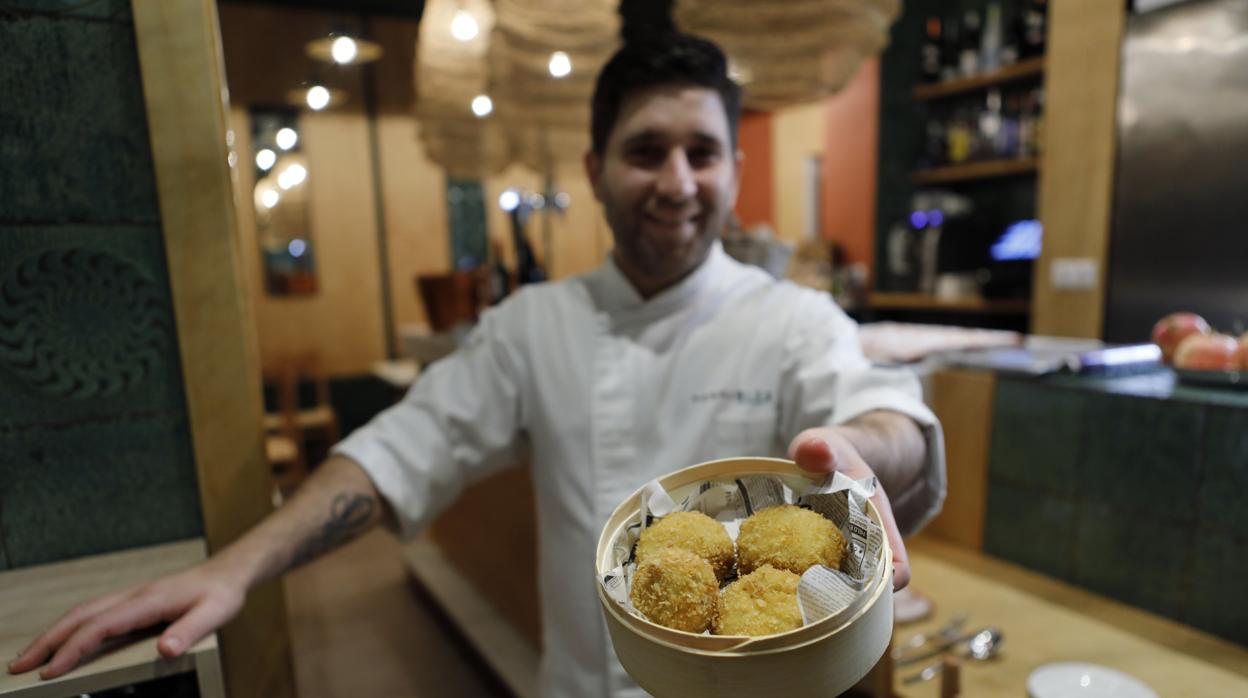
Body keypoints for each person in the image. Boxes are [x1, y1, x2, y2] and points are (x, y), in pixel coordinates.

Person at [10, 33, 945, 697]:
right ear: (593, 167)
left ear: (734, 170)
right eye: (645, 151)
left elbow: (887, 416)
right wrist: (240, 568)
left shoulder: (793, 318)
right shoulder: (533, 324)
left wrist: (859, 453)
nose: (676, 181)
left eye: (702, 153)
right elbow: (405, 444)